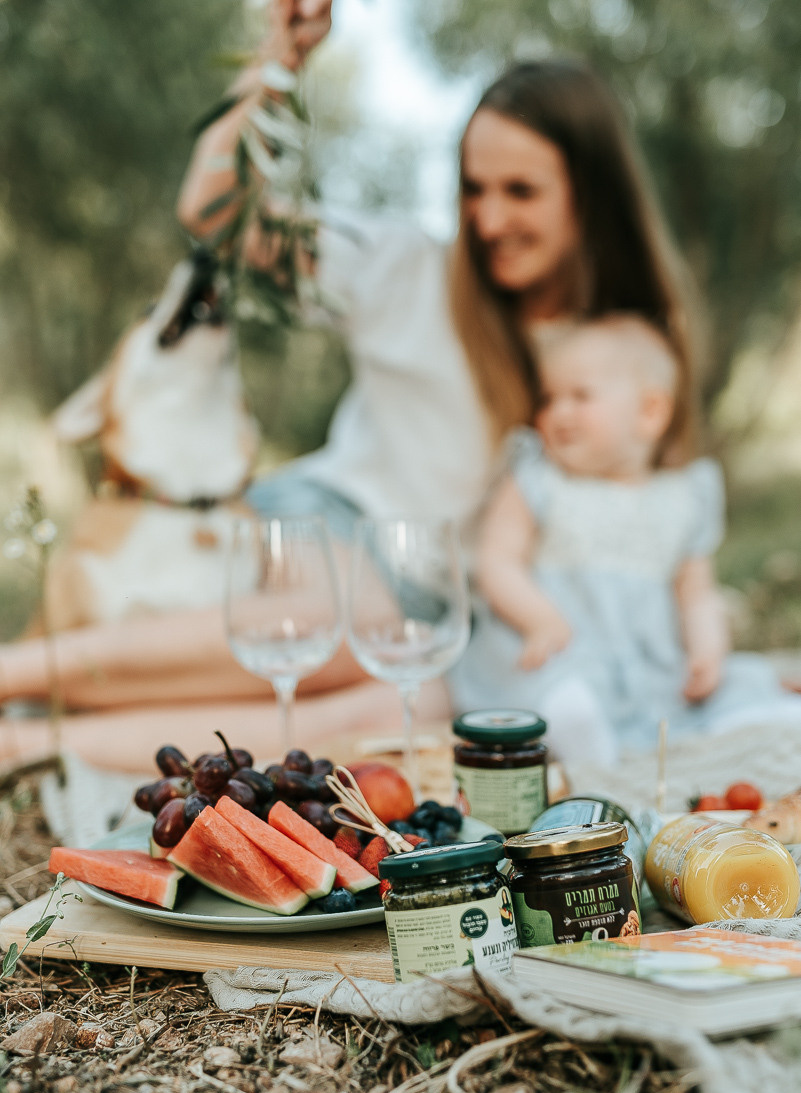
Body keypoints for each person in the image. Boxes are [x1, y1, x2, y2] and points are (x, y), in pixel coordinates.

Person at [0, 1, 702, 772]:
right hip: (334, 529)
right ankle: (15, 675)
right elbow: (215, 212)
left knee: (413, 708)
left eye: (520, 191)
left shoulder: (624, 350)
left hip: (442, 608)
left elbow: (653, 517)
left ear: (589, 193)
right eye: (473, 189)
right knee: (348, 623)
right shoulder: (407, 269)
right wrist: (278, 63)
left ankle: (27, 744)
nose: (488, 218)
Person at [449, 315, 801, 765]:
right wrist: (538, 619)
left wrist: (707, 650)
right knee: (564, 695)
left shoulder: (684, 495)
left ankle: (742, 722)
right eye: (548, 399)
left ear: (650, 412)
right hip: (566, 648)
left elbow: (696, 593)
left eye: (580, 396)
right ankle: (588, 747)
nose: (558, 413)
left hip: (653, 666)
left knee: (729, 687)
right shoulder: (538, 480)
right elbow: (498, 561)